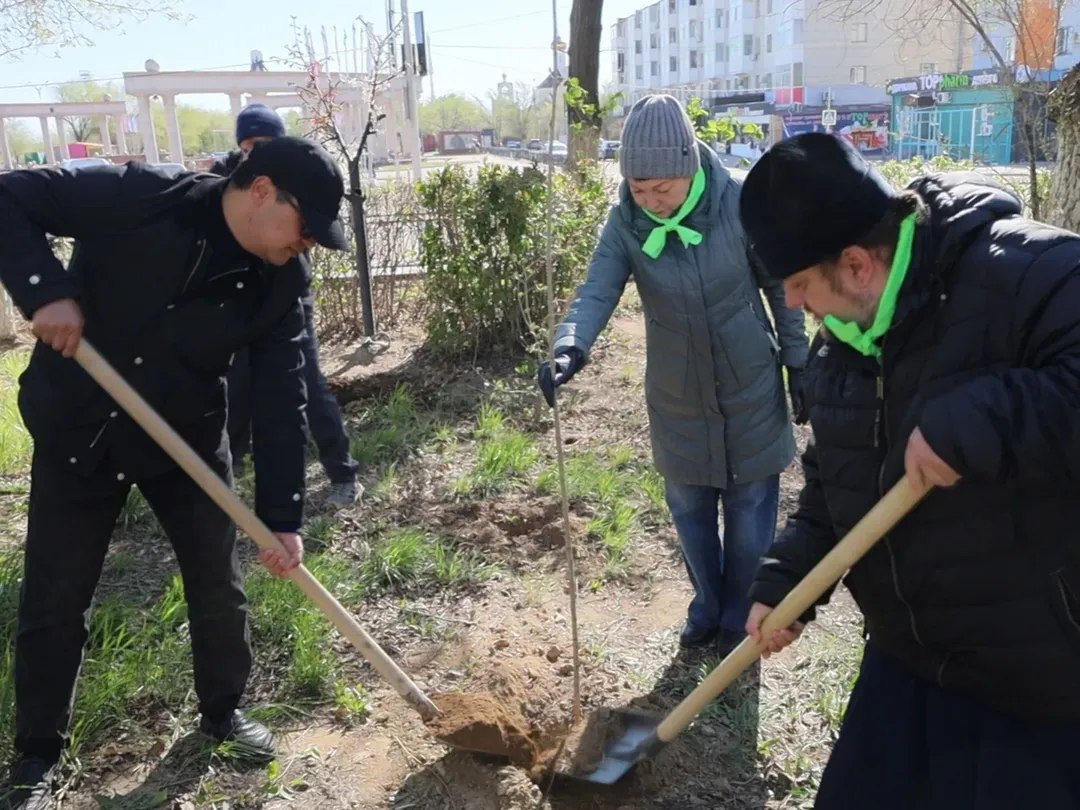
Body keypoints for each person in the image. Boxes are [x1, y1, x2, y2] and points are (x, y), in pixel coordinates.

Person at [0, 136, 350, 810]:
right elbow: (8, 195)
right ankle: (37, 755)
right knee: (55, 595)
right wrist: (48, 291)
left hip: (183, 438)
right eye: (304, 227)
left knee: (218, 583)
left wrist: (281, 517)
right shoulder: (139, 196)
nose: (305, 245)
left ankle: (222, 711)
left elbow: (283, 395)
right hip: (83, 423)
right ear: (260, 191)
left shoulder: (280, 280)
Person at [739, 132, 1080, 808]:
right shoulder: (843, 346)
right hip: (910, 657)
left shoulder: (1030, 273)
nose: (798, 306)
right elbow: (836, 479)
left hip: (1037, 674)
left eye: (801, 285)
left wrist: (981, 421)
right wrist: (791, 578)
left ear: (858, 264)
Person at [539, 95, 808, 654]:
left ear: (689, 167)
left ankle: (740, 618)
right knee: (688, 509)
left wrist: (797, 361)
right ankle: (707, 604)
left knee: (751, 510)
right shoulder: (626, 223)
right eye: (640, 190)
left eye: (663, 189)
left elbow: (782, 288)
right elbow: (597, 289)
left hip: (750, 384)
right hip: (677, 391)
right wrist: (570, 345)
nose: (652, 203)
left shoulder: (741, 202)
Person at [215, 104, 362, 506]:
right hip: (240, 304)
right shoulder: (224, 179)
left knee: (308, 384)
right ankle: (230, 469)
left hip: (288, 300)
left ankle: (342, 471)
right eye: (247, 144)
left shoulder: (298, 175)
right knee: (235, 383)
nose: (253, 151)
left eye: (263, 143)